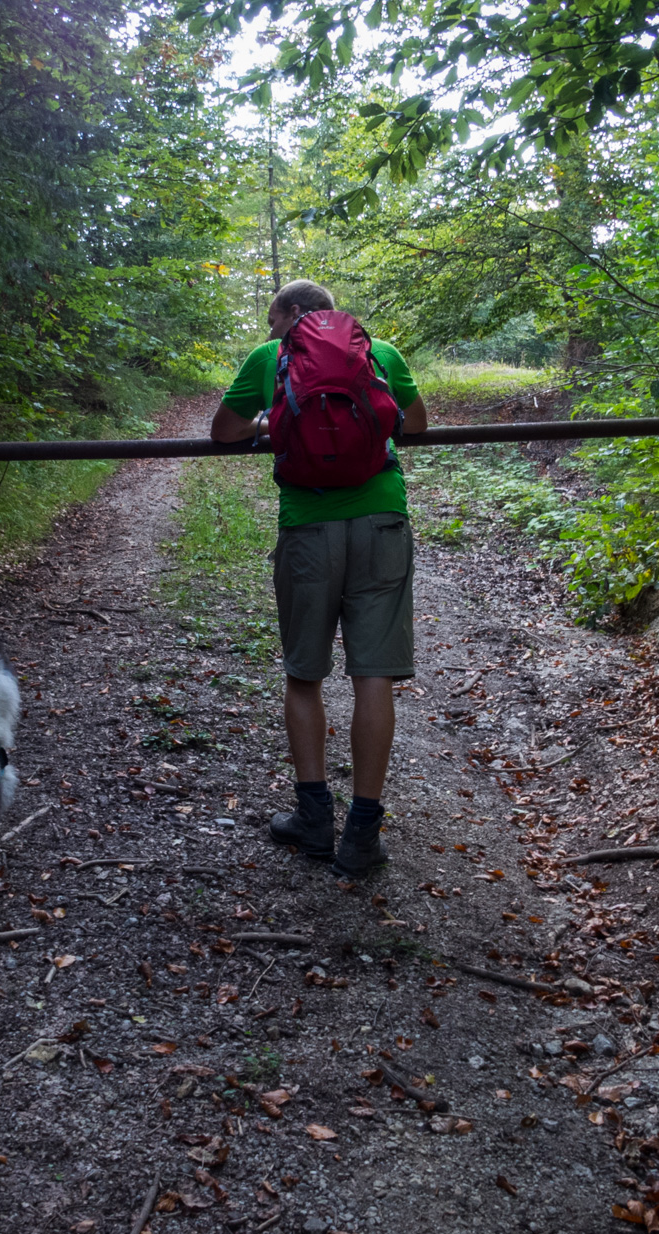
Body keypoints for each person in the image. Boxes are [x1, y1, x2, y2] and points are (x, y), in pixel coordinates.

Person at [210, 280, 428, 875]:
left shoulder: (268, 358)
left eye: (275, 318)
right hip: (382, 521)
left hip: (309, 527)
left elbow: (223, 431)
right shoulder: (382, 353)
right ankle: (362, 833)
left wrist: (270, 426)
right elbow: (418, 422)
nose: (274, 331)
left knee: (305, 675)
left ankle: (313, 819)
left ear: (296, 313)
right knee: (373, 675)